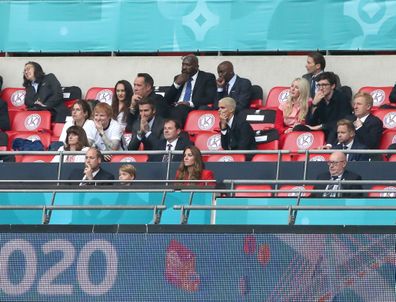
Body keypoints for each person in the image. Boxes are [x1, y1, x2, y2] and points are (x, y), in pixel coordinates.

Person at [164, 54, 217, 127]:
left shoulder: (207, 77)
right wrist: (176, 84)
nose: (184, 67)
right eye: (183, 65)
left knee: (181, 108)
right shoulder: (178, 78)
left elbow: (210, 98)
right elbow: (167, 99)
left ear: (196, 67)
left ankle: (175, 131)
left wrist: (189, 103)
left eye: (188, 65)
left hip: (193, 108)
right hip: (176, 107)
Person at [306, 72, 352, 140]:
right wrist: (314, 104)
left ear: (333, 86)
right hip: (320, 131)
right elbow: (310, 123)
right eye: (319, 85)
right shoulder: (319, 99)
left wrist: (322, 126)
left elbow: (343, 121)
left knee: (335, 129)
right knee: (299, 128)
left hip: (336, 132)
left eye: (324, 85)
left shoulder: (342, 98)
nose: (321, 88)